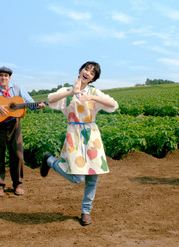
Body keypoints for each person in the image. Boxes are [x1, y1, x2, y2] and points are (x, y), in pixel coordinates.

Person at [40, 61, 118, 226]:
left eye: (92, 73)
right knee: (77, 178)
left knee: (93, 176)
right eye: (86, 69)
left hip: (92, 136)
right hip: (74, 135)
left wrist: (91, 97)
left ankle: (85, 211)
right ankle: (49, 161)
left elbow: (113, 104)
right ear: (81, 70)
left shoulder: (94, 92)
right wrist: (71, 92)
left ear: (93, 78)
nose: (88, 73)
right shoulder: (68, 91)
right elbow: (50, 99)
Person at [0, 66, 46, 197]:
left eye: (6, 76)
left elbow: (29, 103)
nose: (3, 78)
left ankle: (18, 184)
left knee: (17, 155)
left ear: (9, 78)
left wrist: (37, 106)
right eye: (0, 76)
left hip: (14, 125)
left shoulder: (17, 89)